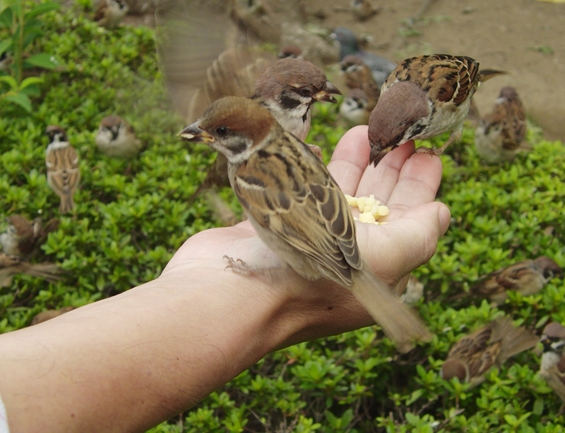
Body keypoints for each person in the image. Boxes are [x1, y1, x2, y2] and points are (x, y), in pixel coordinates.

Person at [0, 126, 449, 432]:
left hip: (309, 246)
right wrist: (344, 253)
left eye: (219, 135)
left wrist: (258, 272)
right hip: (339, 233)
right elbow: (326, 200)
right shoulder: (286, 156)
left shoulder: (252, 172)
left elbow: (287, 227)